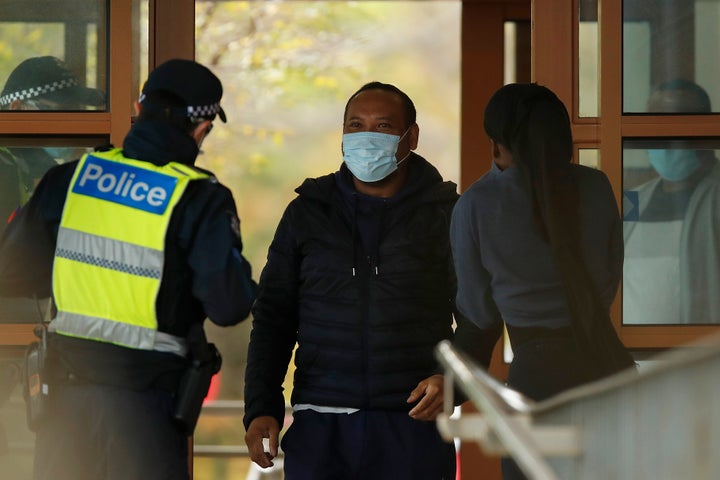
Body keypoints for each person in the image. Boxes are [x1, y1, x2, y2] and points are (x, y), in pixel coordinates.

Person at [0, 58, 257, 480]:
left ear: (139, 109)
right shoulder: (200, 199)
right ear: (202, 127)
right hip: (146, 411)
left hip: (64, 402)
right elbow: (229, 305)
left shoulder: (70, 180)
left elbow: (10, 272)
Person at [243, 81, 462, 479]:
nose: (366, 138)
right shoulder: (307, 212)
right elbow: (274, 315)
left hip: (413, 426)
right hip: (320, 426)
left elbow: (478, 317)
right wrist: (261, 406)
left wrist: (454, 383)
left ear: (410, 137)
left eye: (382, 127)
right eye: (355, 125)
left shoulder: (446, 216)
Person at [450, 83, 634, 479]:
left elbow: (478, 312)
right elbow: (608, 279)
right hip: (607, 365)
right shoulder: (596, 186)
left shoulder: (476, 205)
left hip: (536, 379)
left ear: (497, 143)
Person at [623, 79, 720, 324]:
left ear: (706, 128)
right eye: (654, 125)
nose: (665, 137)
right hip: (636, 357)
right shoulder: (634, 200)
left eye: (676, 123)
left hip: (707, 357)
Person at [0, 56, 106, 238]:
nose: (71, 125)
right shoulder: (5, 166)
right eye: (61, 112)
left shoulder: (36, 163)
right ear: (17, 109)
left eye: (77, 113)